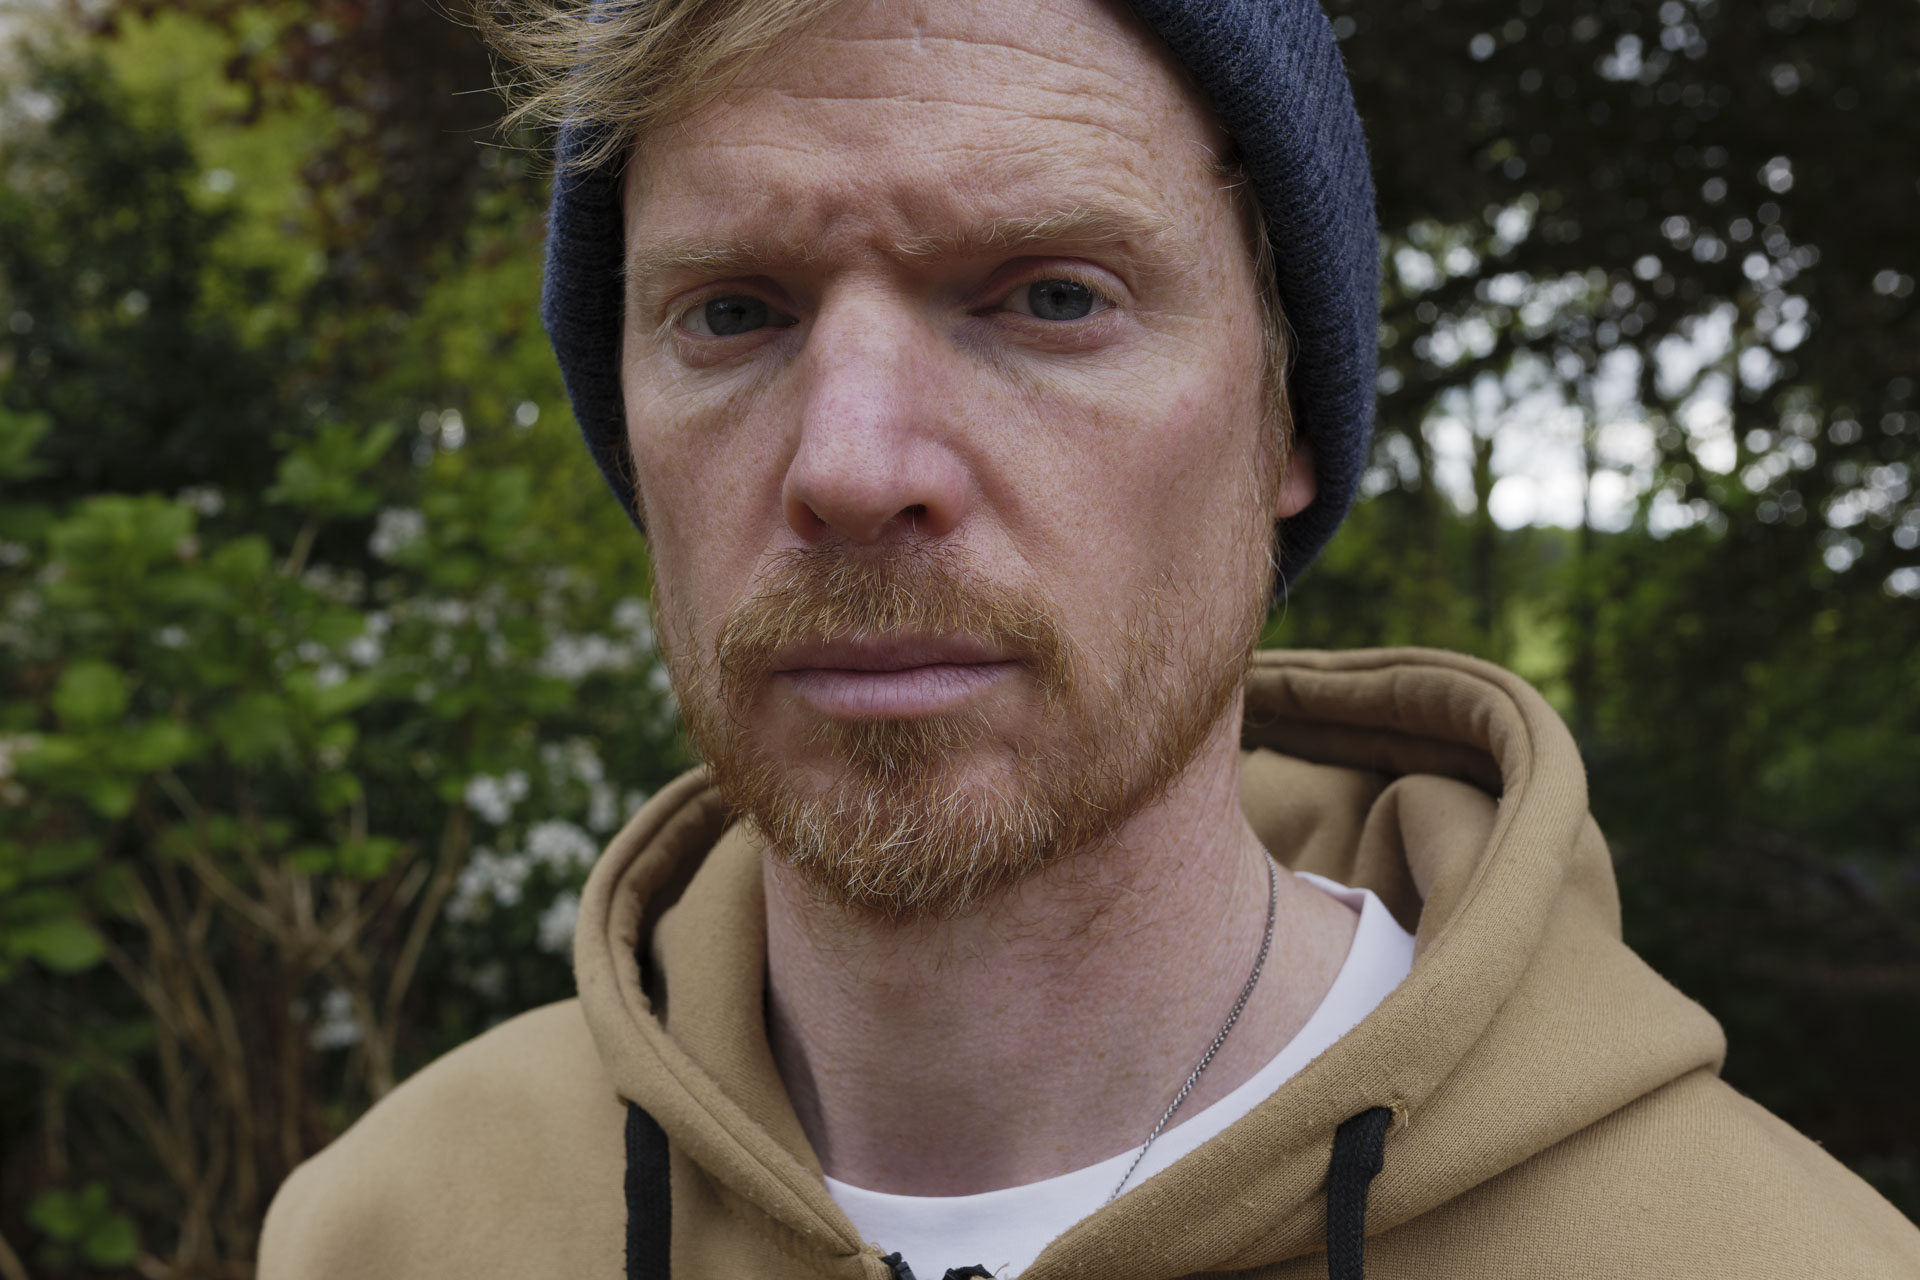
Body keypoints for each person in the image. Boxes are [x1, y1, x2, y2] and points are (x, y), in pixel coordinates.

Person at [258, 0, 1920, 1276]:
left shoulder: (1763, 1253)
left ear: (1289, 416)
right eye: (735, 313)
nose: (852, 466)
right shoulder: (390, 1230)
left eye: (1051, 295)